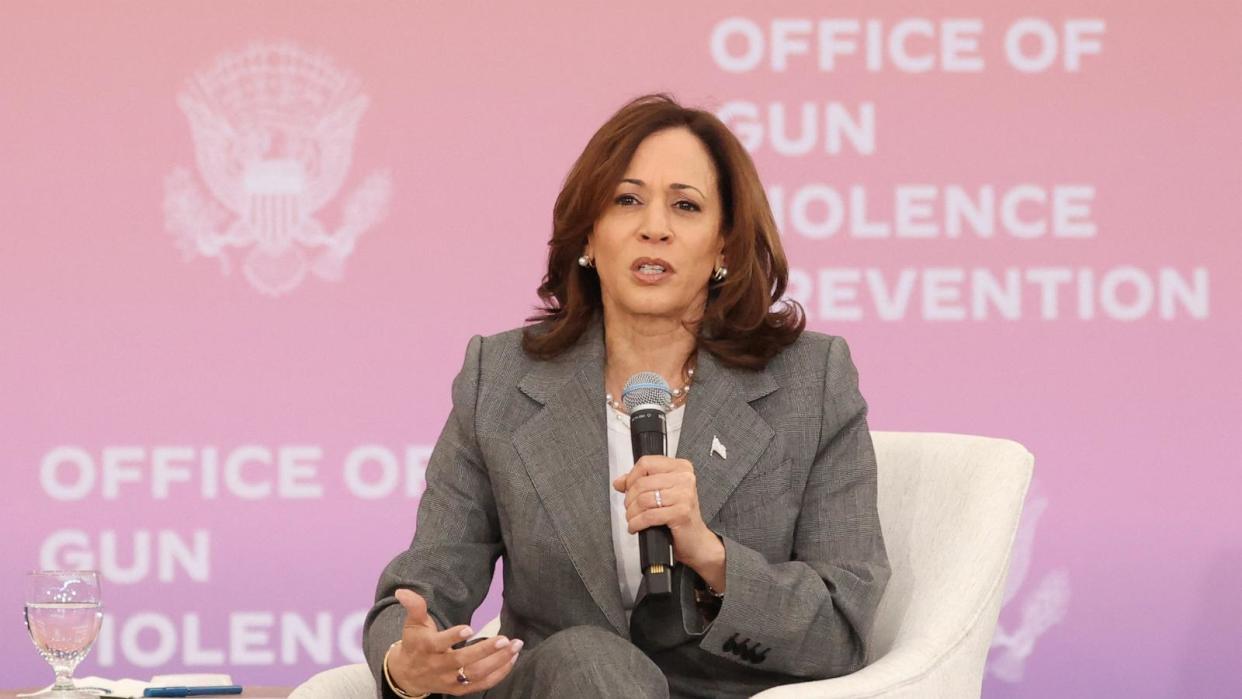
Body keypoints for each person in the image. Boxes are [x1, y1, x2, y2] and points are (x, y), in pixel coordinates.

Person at [362, 93, 890, 699]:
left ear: (723, 246)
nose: (654, 227)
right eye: (627, 200)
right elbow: (424, 585)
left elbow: (842, 630)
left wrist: (713, 557)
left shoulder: (809, 381)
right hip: (561, 686)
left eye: (686, 206)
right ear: (589, 235)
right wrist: (406, 665)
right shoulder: (502, 377)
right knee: (592, 661)